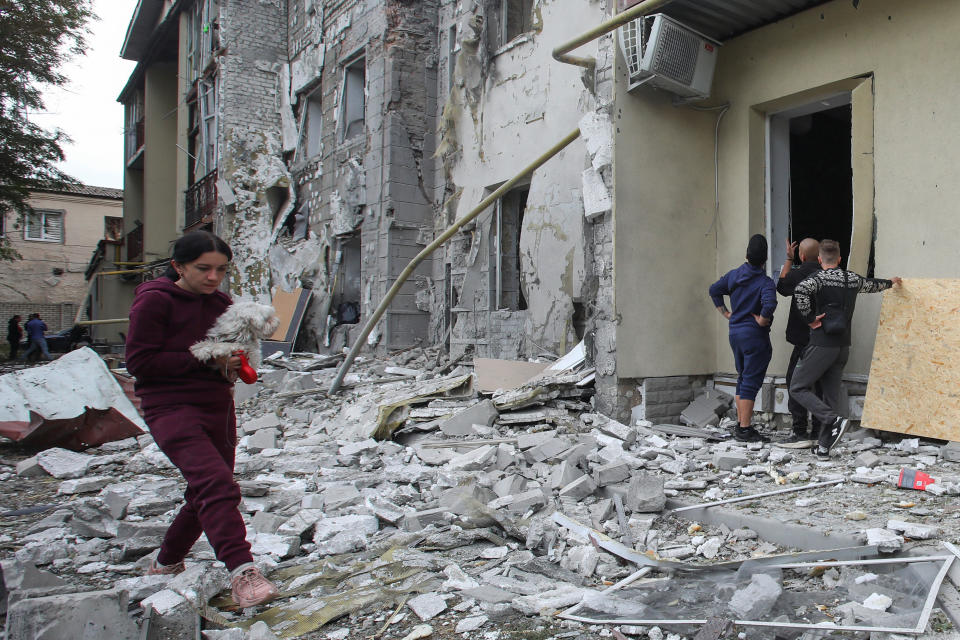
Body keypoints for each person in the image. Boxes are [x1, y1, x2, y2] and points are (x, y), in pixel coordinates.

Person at [125, 230, 279, 607]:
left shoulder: (220, 302)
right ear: (178, 266)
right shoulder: (155, 302)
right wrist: (206, 358)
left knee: (205, 491)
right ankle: (242, 570)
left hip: (216, 406)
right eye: (203, 269)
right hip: (170, 407)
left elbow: (233, 349)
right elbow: (140, 363)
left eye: (221, 270)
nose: (213, 278)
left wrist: (233, 364)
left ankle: (166, 562)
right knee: (216, 485)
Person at [790, 239, 901, 461]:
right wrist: (890, 283)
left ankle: (832, 420)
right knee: (831, 396)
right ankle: (823, 448)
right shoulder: (851, 279)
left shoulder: (817, 279)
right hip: (842, 347)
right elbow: (873, 285)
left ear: (820, 259)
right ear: (839, 259)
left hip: (821, 345)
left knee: (797, 387)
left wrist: (810, 319)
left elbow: (799, 291)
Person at [709, 234, 778, 442]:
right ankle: (745, 430)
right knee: (750, 381)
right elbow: (769, 305)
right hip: (754, 337)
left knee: (742, 378)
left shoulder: (733, 275)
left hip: (735, 334)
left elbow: (714, 290)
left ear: (746, 255)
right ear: (765, 259)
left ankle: (741, 425)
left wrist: (726, 313)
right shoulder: (765, 282)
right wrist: (763, 320)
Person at [775, 238, 823, 448]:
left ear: (801, 256)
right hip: (824, 341)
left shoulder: (798, 275)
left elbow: (781, 286)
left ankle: (800, 431)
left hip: (803, 341)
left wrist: (788, 258)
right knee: (820, 384)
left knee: (795, 383)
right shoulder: (826, 275)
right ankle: (819, 431)